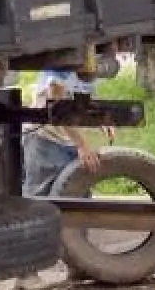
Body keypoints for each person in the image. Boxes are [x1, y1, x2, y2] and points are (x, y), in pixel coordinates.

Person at [20, 70, 114, 198]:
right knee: (42, 197)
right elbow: (59, 109)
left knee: (78, 193)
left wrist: (100, 118)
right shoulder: (58, 68)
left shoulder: (89, 65)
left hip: (71, 141)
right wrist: (83, 145)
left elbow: (84, 97)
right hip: (45, 140)